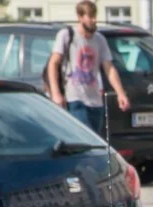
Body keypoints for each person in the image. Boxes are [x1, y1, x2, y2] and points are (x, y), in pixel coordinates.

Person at [46, 0, 129, 138]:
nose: (94, 20)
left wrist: (120, 93)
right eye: (90, 16)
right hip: (74, 99)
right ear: (80, 17)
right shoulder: (67, 35)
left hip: (95, 101)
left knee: (95, 140)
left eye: (94, 16)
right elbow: (53, 63)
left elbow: (109, 68)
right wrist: (56, 94)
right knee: (85, 138)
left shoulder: (100, 40)